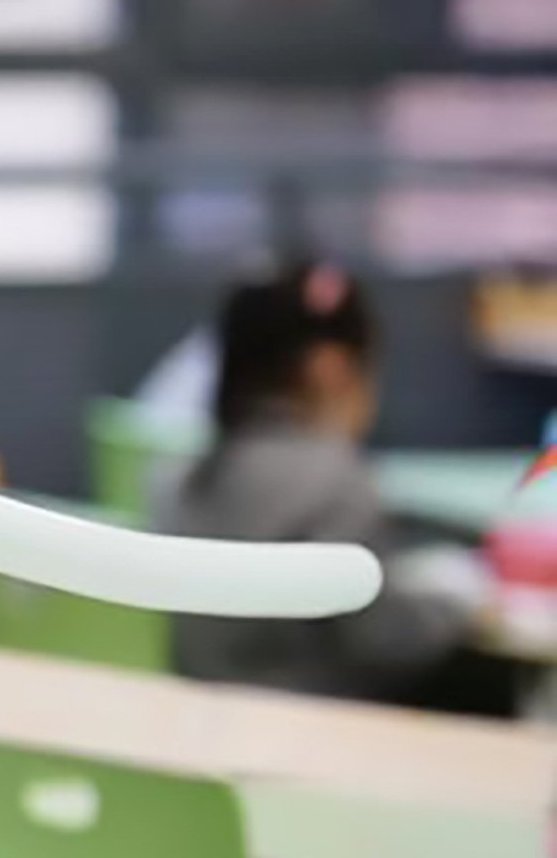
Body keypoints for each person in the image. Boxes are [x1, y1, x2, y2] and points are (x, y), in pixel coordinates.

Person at [164, 262, 512, 713]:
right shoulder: (333, 480)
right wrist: (455, 604)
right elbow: (383, 635)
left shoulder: (188, 474)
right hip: (308, 736)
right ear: (330, 369)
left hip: (206, 727)